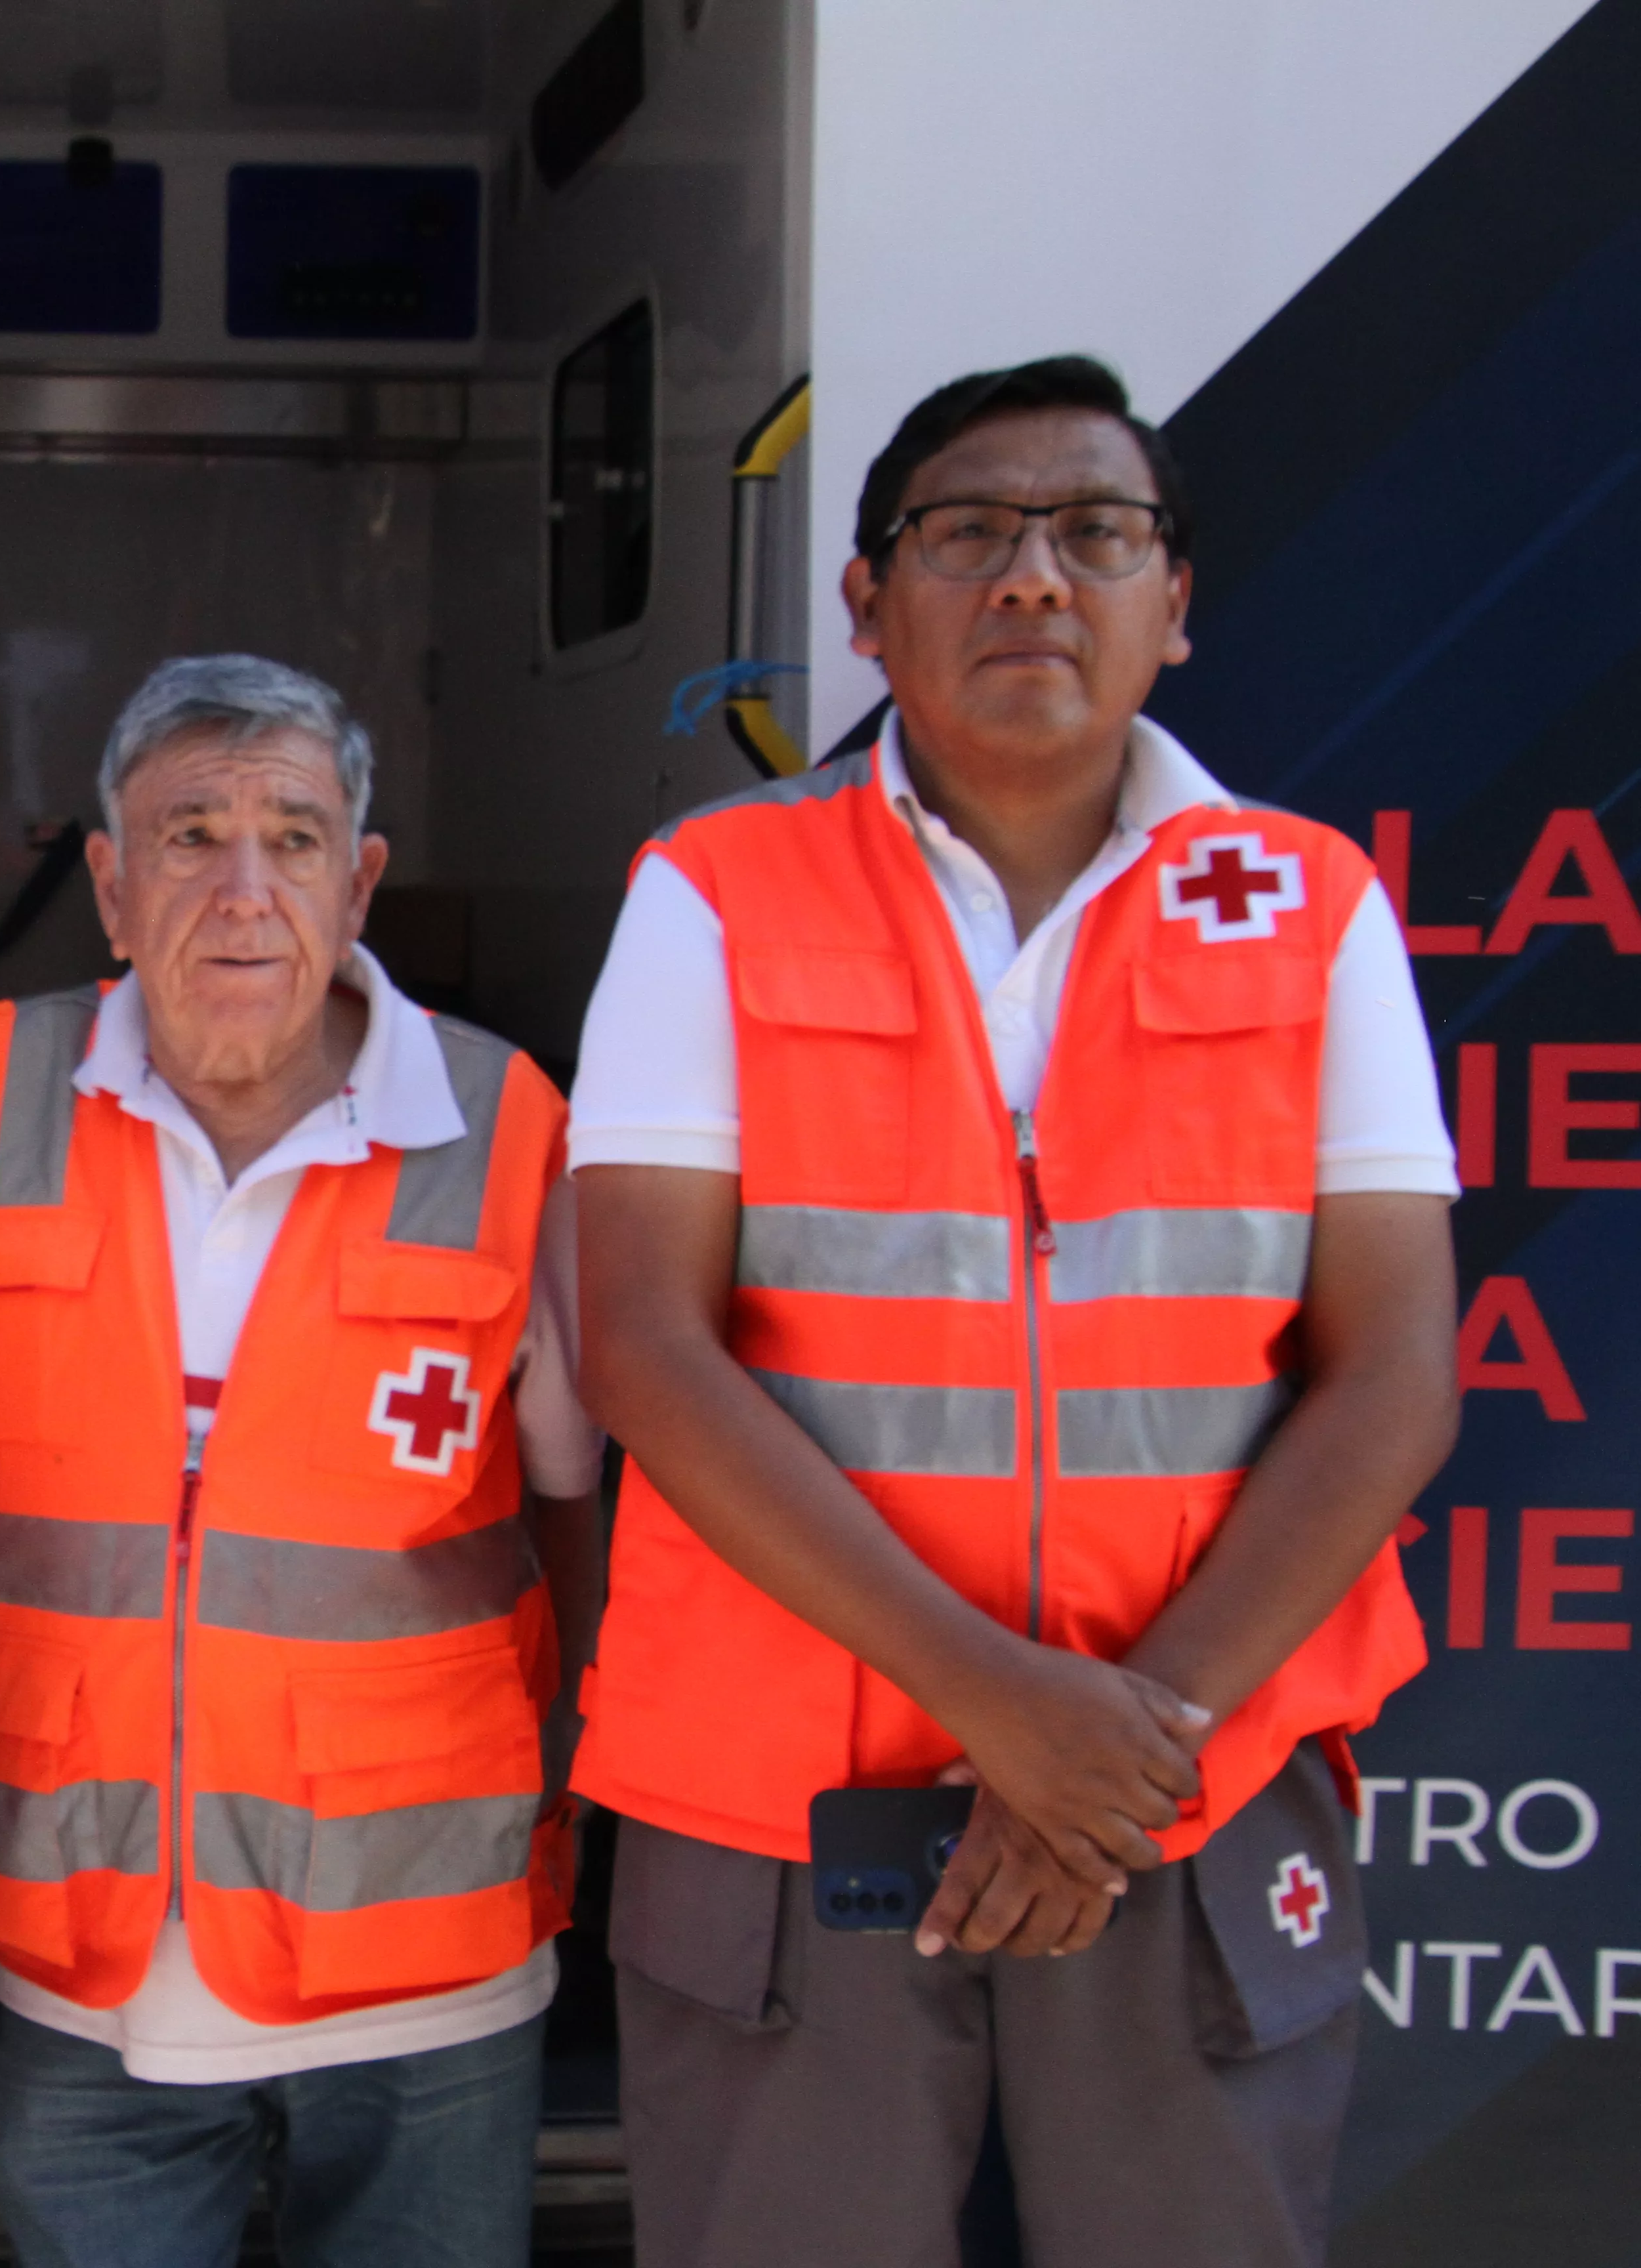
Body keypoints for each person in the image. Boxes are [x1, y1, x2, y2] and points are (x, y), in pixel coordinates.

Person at [569, 356, 1460, 2265]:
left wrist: (1122, 1757)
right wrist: (1002, 1706)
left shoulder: (1310, 907)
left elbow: (1391, 1376)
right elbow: (644, 1342)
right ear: (869, 607)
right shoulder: (712, 892)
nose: (1035, 577)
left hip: (1187, 1793)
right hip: (790, 1808)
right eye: (968, 532)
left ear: (1178, 604)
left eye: (1097, 533)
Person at [0, 655, 606, 2268]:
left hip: (430, 1984)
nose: (246, 890)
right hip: (78, 1980)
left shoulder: (514, 1127)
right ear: (109, 887)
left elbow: (582, 1510)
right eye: (189, 837)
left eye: (296, 836)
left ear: (363, 880)